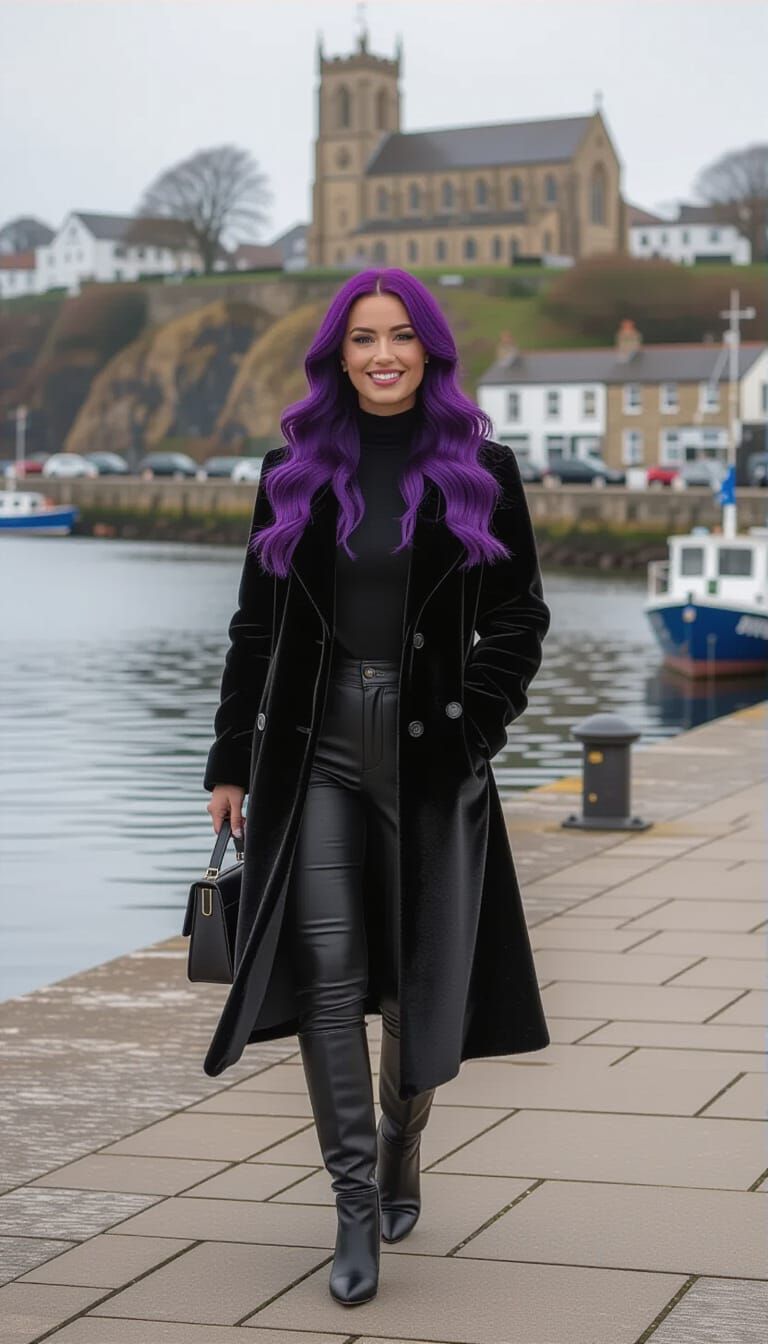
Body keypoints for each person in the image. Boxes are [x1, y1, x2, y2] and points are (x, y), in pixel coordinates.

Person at [204, 267, 551, 1307]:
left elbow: (519, 620)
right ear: (337, 355)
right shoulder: (290, 473)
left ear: (431, 352)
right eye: (363, 339)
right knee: (331, 979)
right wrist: (230, 758)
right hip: (314, 753)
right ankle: (354, 1203)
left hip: (432, 751)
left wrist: (475, 720)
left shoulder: (481, 470)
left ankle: (404, 1142)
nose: (384, 354)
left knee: (418, 981)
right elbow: (255, 633)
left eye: (402, 336)